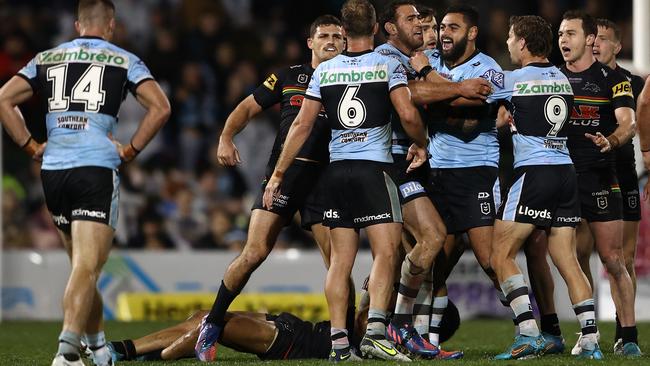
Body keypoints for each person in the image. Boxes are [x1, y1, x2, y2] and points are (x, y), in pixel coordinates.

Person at [0, 1, 171, 366]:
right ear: (111, 24)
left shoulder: (45, 58)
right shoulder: (124, 59)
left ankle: (95, 348)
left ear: (78, 25)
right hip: (95, 166)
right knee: (88, 268)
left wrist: (30, 146)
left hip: (54, 170)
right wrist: (130, 151)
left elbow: (4, 98)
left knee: (81, 266)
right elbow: (160, 107)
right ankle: (66, 352)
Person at [263, 0, 429, 361]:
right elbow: (406, 113)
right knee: (387, 251)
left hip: (335, 173)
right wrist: (421, 141)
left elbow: (301, 125)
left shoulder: (324, 71)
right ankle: (374, 334)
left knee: (341, 261)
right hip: (374, 169)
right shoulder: (386, 64)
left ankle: (340, 345)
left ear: (344, 29)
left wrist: (277, 174)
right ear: (373, 29)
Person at [195, 15, 346, 362]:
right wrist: (226, 136)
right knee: (254, 252)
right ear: (311, 42)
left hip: (326, 180)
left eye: (338, 36)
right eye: (324, 35)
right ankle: (213, 323)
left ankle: (342, 337)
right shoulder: (289, 75)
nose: (331, 41)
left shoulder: (350, 78)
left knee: (337, 263)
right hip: (284, 175)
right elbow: (247, 107)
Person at [375, 1, 487, 359]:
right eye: (414, 22)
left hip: (410, 163)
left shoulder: (417, 61)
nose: (426, 30)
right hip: (388, 161)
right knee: (422, 242)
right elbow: (412, 97)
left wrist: (455, 87)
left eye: (429, 25)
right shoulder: (387, 58)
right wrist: (459, 89)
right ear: (391, 27)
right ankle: (389, 325)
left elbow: (430, 88)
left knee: (417, 253)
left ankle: (391, 330)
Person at [489, 15, 603, 360]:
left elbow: (472, 97)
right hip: (565, 171)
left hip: (534, 173)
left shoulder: (511, 80)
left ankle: (528, 332)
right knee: (567, 259)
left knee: (500, 254)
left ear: (522, 42)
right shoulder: (563, 79)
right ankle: (591, 339)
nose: (508, 44)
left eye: (510, 38)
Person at [558, 10, 641, 357]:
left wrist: (612, 140)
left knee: (613, 258)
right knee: (572, 257)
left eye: (571, 34)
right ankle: (588, 332)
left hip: (602, 178)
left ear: (590, 39)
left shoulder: (613, 79)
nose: (563, 39)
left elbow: (628, 122)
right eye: (561, 33)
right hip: (562, 180)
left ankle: (629, 336)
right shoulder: (553, 78)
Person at [105, 302, 461, 362]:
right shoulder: (395, 324)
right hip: (291, 324)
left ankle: (126, 352)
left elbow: (361, 321)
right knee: (204, 314)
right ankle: (136, 351)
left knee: (211, 325)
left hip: (293, 342)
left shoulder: (397, 337)